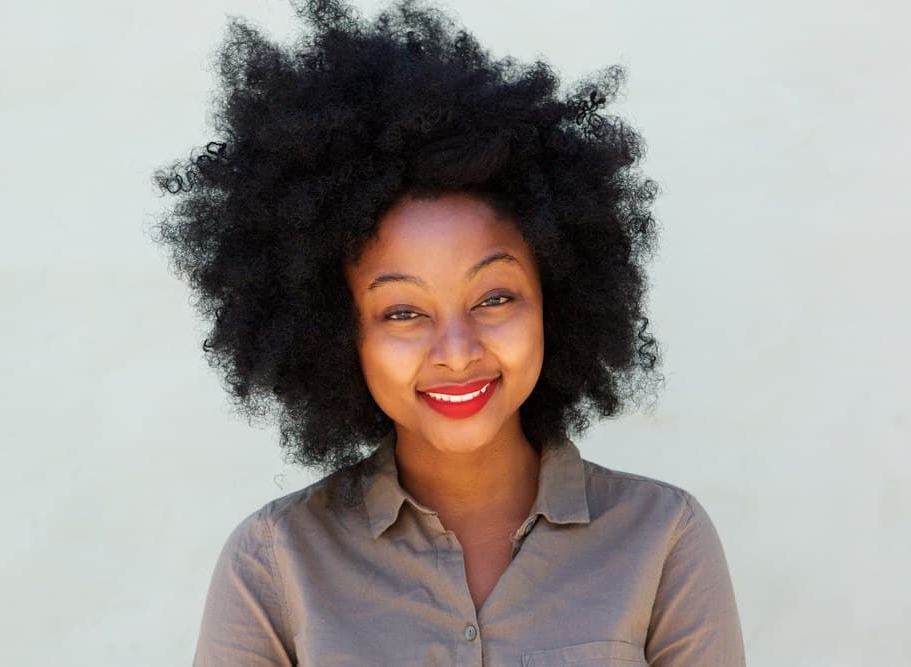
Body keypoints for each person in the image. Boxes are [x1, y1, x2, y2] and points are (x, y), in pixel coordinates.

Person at [153, 1, 746, 664]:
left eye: (494, 297)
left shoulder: (662, 539)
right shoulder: (275, 563)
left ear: (557, 296)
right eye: (403, 312)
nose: (458, 351)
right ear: (337, 329)